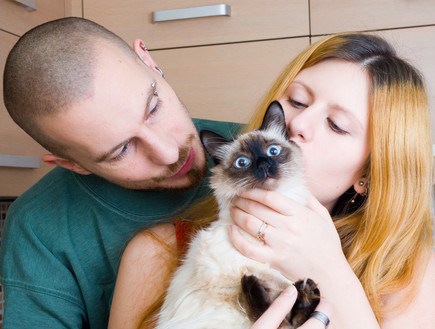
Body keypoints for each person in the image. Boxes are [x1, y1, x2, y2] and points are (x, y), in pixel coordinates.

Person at [109, 33, 435, 329]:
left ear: (369, 172)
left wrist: (331, 272)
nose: (299, 124)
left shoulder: (409, 270)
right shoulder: (157, 253)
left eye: (336, 124)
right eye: (296, 102)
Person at [0, 17, 242, 328]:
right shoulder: (36, 228)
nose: (168, 153)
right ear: (70, 163)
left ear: (148, 60)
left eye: (153, 108)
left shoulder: (264, 151)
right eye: (121, 151)